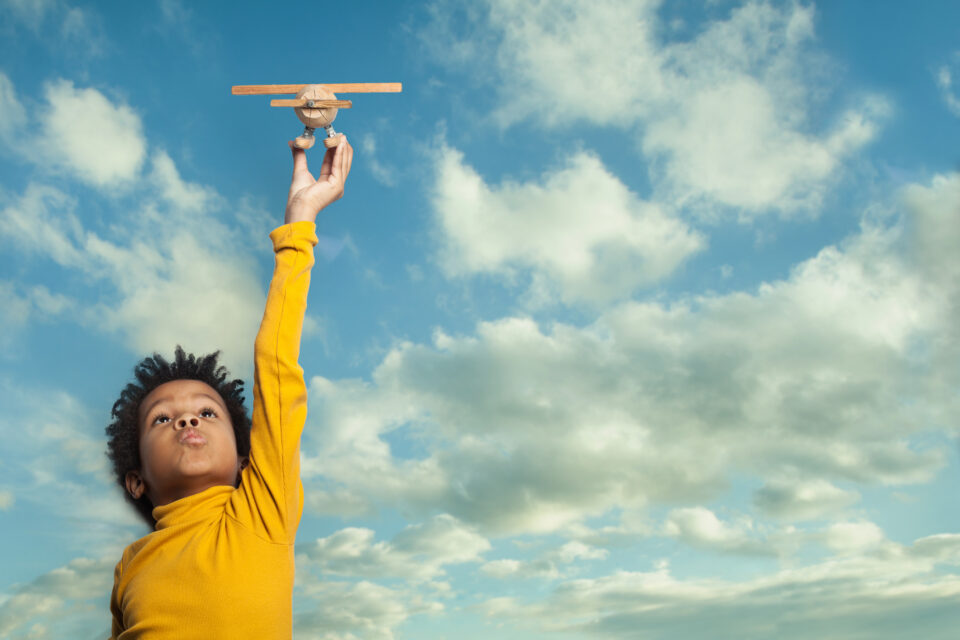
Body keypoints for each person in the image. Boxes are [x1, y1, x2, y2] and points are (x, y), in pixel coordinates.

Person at [104, 136, 353, 639]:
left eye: (206, 412)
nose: (187, 419)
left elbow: (276, 365)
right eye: (163, 419)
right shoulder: (130, 565)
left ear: (246, 459)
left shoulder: (261, 509)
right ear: (136, 480)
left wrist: (299, 222)